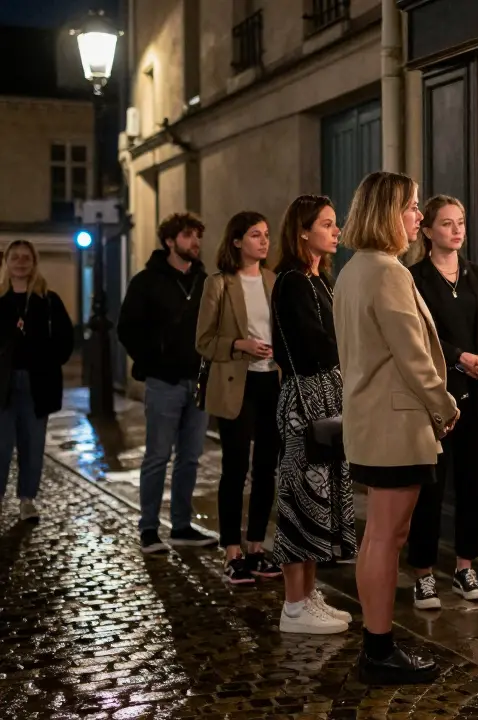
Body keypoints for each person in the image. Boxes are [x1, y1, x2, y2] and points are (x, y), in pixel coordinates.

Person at [334, 172, 459, 684]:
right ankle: (379, 649)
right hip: (395, 422)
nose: (418, 216)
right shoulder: (387, 272)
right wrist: (444, 406)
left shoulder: (352, 270)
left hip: (372, 420)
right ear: (387, 213)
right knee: (387, 538)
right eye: (411, 206)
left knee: (381, 536)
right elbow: (412, 355)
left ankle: (377, 644)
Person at [406, 195, 478, 609]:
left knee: (471, 488)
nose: (457, 230)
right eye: (447, 223)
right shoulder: (414, 279)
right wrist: (460, 358)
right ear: (427, 230)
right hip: (436, 398)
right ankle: (423, 573)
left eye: (461, 222)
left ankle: (466, 566)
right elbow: (416, 337)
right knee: (430, 489)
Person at [270, 195, 356, 634]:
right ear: (303, 232)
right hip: (305, 400)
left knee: (321, 500)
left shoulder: (319, 279)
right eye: (326, 224)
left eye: (335, 223)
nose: (336, 230)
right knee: (300, 499)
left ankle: (308, 594)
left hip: (328, 395)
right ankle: (293, 605)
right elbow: (314, 345)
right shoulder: (291, 281)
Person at [118, 212, 219, 554]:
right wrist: (154, 361)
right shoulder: (146, 281)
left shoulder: (205, 281)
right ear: (170, 241)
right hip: (164, 383)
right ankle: (149, 529)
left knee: (190, 458)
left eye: (198, 236)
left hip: (199, 381)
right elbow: (126, 329)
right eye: (188, 236)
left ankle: (181, 526)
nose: (196, 242)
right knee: (158, 456)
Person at [195, 211, 282, 585]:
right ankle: (232, 551)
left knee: (266, 468)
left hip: (271, 382)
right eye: (255, 235)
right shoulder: (218, 284)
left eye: (266, 234)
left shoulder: (273, 281)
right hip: (236, 384)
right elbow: (203, 341)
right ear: (236, 241)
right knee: (234, 468)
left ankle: (257, 547)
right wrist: (239, 344)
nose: (264, 241)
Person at [0, 240, 74, 523]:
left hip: (37, 384)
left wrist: (47, 361)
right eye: (15, 257)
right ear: (6, 263)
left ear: (34, 263)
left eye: (26, 258)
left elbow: (65, 339)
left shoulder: (48, 300)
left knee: (32, 446)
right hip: (3, 385)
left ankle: (27, 500)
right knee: (1, 447)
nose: (20, 262)